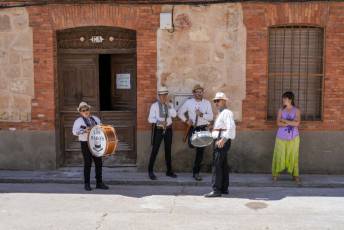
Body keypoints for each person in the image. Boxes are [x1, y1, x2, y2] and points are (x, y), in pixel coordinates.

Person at [177, 84, 213, 181]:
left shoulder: (207, 103)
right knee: (192, 145)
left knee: (200, 152)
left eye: (200, 92)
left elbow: (211, 117)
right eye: (196, 92)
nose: (198, 94)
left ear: (202, 93)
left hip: (203, 128)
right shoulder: (189, 102)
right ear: (193, 93)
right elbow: (180, 112)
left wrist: (201, 114)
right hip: (193, 129)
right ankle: (195, 170)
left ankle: (196, 173)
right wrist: (186, 120)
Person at [72, 102, 109, 191]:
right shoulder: (78, 121)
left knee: (99, 163)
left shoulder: (96, 119)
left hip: (96, 142)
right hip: (85, 143)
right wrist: (84, 131)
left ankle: (99, 183)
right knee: (87, 163)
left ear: (89, 110)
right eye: (83, 110)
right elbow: (74, 132)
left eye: (87, 109)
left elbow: (102, 129)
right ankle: (87, 184)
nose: (85, 112)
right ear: (80, 112)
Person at [204, 92, 236, 198]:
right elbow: (222, 127)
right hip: (220, 139)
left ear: (224, 101)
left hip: (221, 140)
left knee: (217, 165)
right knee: (222, 165)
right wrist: (212, 128)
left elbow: (231, 127)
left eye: (218, 101)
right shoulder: (221, 113)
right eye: (215, 101)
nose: (216, 103)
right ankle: (224, 188)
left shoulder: (226, 112)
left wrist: (224, 139)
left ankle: (216, 190)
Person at [148, 86, 178, 180]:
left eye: (165, 95)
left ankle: (169, 171)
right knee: (155, 150)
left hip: (168, 129)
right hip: (159, 130)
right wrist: (160, 122)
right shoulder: (154, 106)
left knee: (168, 150)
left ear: (167, 95)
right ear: (159, 96)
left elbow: (174, 115)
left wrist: (170, 107)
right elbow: (150, 119)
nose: (163, 97)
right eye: (161, 95)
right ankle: (150, 171)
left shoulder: (170, 105)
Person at [272, 91, 301, 184]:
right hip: (281, 136)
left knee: (294, 155)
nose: (283, 100)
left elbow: (297, 123)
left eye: (285, 98)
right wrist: (291, 122)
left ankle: (295, 175)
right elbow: (278, 123)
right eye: (283, 98)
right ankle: (275, 174)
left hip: (294, 137)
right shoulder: (281, 110)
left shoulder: (297, 110)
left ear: (290, 99)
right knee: (279, 154)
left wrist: (284, 120)